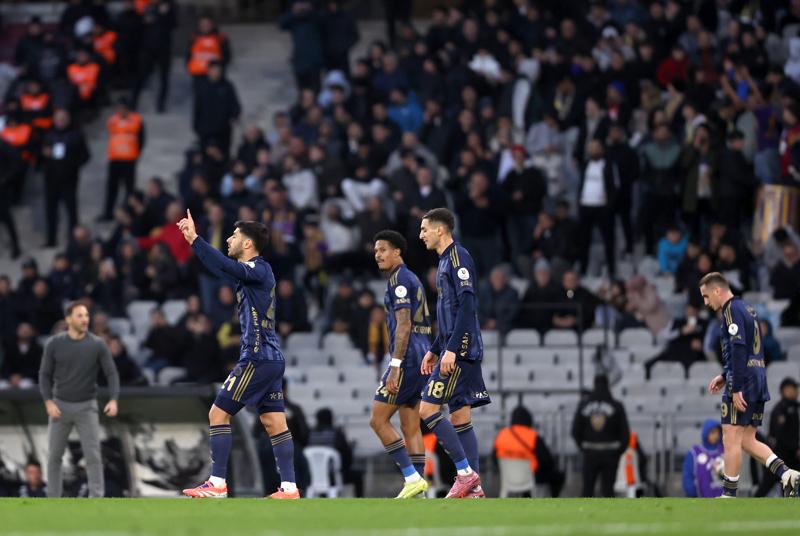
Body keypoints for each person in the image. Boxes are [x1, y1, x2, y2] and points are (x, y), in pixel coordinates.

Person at [177, 211, 299, 499]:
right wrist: (195, 244)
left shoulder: (259, 268)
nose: (228, 240)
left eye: (234, 236)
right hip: (270, 358)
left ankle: (217, 483)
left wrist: (195, 239)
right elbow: (220, 267)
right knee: (274, 423)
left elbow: (223, 265)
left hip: (257, 358)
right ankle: (290, 488)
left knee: (217, 413)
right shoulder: (253, 273)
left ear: (247, 243)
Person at [699, 272, 800, 497]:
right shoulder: (748, 309)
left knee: (730, 437)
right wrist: (725, 374)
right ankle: (787, 474)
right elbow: (751, 350)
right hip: (757, 377)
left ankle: (728, 495)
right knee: (746, 439)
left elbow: (738, 348)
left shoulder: (730, 310)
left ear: (717, 290)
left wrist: (735, 386)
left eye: (706, 296)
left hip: (743, 381)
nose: (706, 303)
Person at [418, 207, 491, 498]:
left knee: (427, 409)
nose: (421, 235)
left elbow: (468, 305)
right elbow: (449, 313)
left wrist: (450, 350)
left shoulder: (459, 257)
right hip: (454, 349)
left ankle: (465, 473)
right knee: (460, 418)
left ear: (440, 230)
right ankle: (475, 488)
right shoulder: (444, 262)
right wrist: (436, 348)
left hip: (460, 352)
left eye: (424, 229)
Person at [369, 230, 431, 498]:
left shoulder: (399, 281)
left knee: (378, 420)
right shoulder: (411, 278)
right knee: (410, 427)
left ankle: (411, 477)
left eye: (383, 250)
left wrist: (395, 365)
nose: (378, 255)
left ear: (397, 252)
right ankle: (418, 490)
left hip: (407, 359)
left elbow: (404, 324)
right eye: (375, 251)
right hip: (422, 356)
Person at [39, 302, 120, 498]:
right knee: (54, 456)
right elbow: (44, 374)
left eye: (86, 315)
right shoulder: (54, 344)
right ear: (68, 319)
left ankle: (97, 497)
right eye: (79, 315)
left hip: (87, 406)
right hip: (60, 406)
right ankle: (52, 498)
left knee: (93, 455)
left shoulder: (97, 344)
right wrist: (48, 402)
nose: (85, 319)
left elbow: (111, 373)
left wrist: (114, 399)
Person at [572, 375, 630, 498]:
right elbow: (625, 434)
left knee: (587, 490)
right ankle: (608, 511)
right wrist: (618, 451)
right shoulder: (617, 405)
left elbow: (575, 431)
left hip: (590, 452)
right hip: (610, 452)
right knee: (608, 491)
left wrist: (583, 447)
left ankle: (583, 510)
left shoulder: (583, 405)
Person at [40, 108, 90, 247]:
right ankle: (51, 239)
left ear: (68, 120)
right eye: (58, 119)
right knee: (51, 210)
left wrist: (71, 164)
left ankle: (73, 239)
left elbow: (85, 156)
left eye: (63, 119)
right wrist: (45, 154)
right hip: (51, 180)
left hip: (69, 180)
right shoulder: (49, 136)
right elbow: (40, 157)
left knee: (72, 211)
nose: (60, 122)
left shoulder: (76, 136)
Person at [494, 406, 563, 497]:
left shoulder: (502, 435)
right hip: (530, 477)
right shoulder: (533, 436)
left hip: (508, 477)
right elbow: (547, 460)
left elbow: (494, 458)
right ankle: (548, 498)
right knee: (557, 475)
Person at [100, 98, 145, 221]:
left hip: (129, 159)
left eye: (123, 108)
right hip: (115, 158)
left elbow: (141, 139)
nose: (121, 110)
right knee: (111, 187)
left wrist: (136, 153)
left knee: (129, 188)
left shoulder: (136, 120)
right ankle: (108, 213)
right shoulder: (112, 120)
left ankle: (129, 212)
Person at [755, 378, 800, 496]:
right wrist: (795, 448)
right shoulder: (781, 409)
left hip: (791, 456)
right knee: (766, 486)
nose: (796, 391)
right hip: (779, 455)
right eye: (793, 388)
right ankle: (752, 502)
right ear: (785, 390)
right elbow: (780, 435)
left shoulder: (794, 407)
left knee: (790, 487)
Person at [682, 419, 725, 498]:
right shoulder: (695, 452)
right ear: (706, 433)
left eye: (718, 432)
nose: (716, 436)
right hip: (700, 499)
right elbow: (687, 475)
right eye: (712, 432)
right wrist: (691, 493)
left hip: (722, 499)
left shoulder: (724, 451)